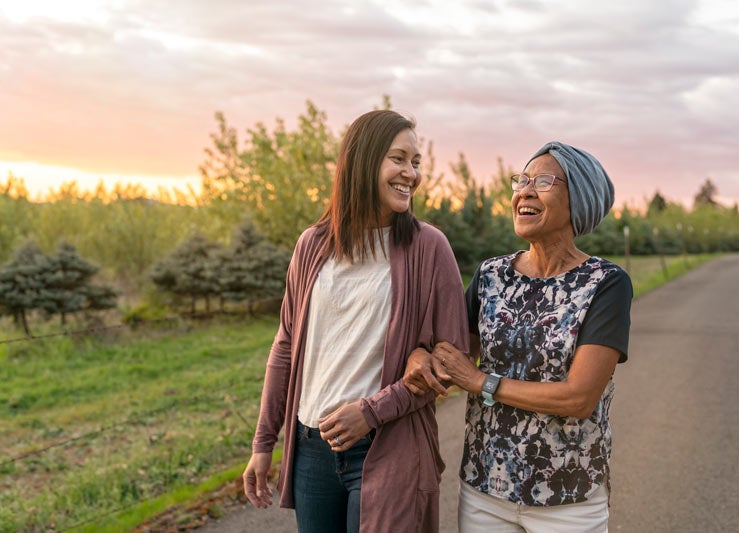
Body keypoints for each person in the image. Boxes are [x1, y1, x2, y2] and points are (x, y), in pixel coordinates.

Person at [242, 109, 469, 533]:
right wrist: (263, 443)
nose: (411, 173)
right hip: (312, 448)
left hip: (387, 445)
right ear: (363, 161)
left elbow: (449, 360)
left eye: (416, 162)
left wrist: (371, 411)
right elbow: (285, 346)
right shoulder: (312, 245)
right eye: (398, 159)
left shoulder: (429, 247)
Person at [405, 141, 632, 532]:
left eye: (543, 181)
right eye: (521, 180)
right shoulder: (491, 276)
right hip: (485, 491)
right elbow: (452, 357)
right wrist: (419, 357)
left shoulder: (606, 284)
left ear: (578, 199)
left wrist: (480, 381)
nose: (524, 190)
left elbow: (578, 398)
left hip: (569, 497)